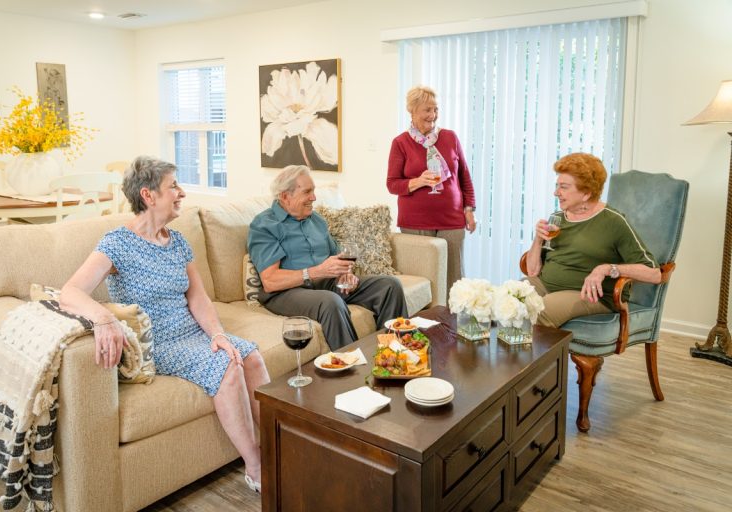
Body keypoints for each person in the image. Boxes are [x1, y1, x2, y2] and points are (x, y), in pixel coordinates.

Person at [59, 156, 269, 493]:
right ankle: (256, 466)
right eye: (174, 186)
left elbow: (198, 298)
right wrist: (103, 317)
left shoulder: (178, 241)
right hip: (160, 341)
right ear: (149, 195)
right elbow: (70, 291)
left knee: (252, 356)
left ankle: (277, 448)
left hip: (192, 330)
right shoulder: (118, 243)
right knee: (228, 366)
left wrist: (217, 333)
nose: (181, 192)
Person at [248, 165, 408, 349]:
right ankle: (353, 369)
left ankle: (392, 354)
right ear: (285, 196)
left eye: (313, 191)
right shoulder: (264, 225)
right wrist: (316, 271)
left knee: (390, 286)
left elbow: (337, 259)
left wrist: (344, 274)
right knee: (330, 302)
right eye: (307, 192)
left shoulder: (316, 220)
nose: (314, 197)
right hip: (286, 292)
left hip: (326, 283)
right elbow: (270, 280)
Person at [525, 152, 661, 327]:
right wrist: (538, 239)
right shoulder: (557, 218)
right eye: (557, 185)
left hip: (589, 294)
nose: (556, 192)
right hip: (545, 285)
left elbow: (654, 274)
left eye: (564, 187)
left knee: (540, 312)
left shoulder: (613, 222)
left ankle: (537, 354)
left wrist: (606, 269)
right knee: (504, 299)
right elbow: (532, 271)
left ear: (586, 194)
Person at [387, 85, 477, 295]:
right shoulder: (401, 143)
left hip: (452, 219)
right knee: (424, 282)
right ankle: (427, 326)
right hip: (416, 222)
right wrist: (418, 181)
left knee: (455, 281)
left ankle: (454, 325)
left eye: (436, 109)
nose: (433, 115)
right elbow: (392, 184)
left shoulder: (450, 137)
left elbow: (464, 176)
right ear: (413, 110)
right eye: (427, 110)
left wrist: (469, 210)